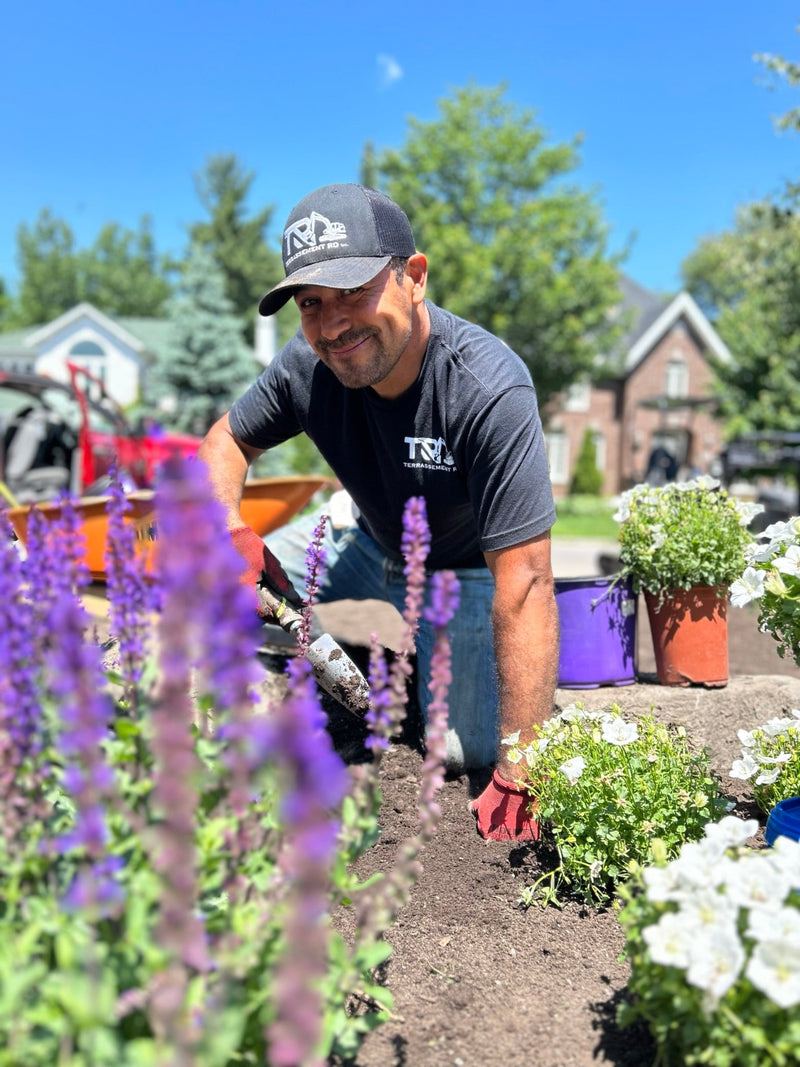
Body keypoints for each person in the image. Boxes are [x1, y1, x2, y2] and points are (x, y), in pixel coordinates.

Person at [197, 183, 559, 841]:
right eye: (312, 304)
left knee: (463, 752)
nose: (333, 324)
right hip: (362, 546)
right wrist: (227, 530)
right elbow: (224, 440)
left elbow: (526, 582)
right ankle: (327, 667)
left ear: (412, 278)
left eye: (354, 292)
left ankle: (411, 655)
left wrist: (522, 765)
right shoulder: (305, 367)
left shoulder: (485, 387)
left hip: (462, 575)